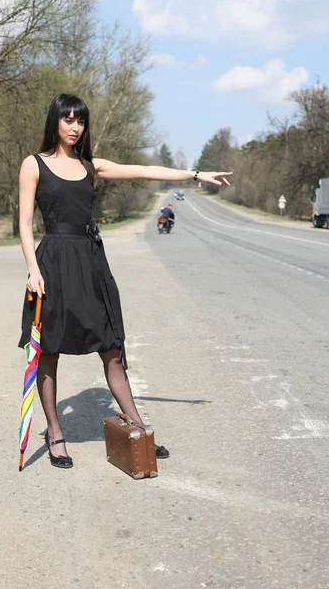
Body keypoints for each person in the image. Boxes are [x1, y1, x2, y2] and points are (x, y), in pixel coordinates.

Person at [18, 93, 233, 469]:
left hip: (91, 261)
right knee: (48, 352)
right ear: (55, 121)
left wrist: (195, 174)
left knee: (112, 347)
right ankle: (55, 431)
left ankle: (137, 425)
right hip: (52, 262)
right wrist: (33, 269)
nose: (74, 127)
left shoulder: (92, 166)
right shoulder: (34, 165)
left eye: (80, 121)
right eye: (68, 119)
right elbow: (23, 223)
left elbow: (144, 170)